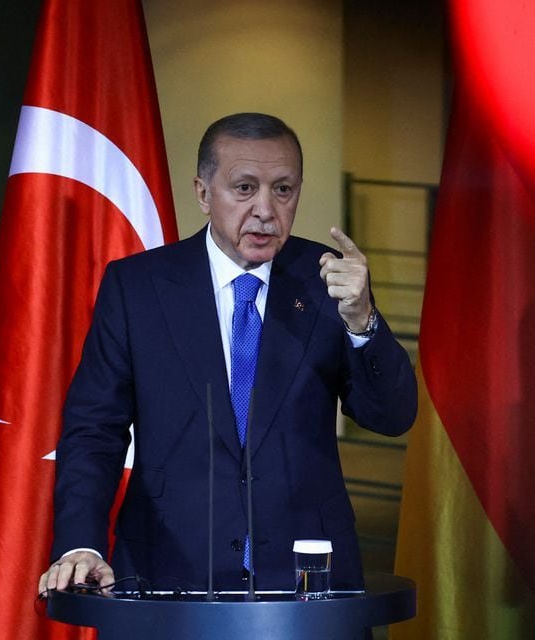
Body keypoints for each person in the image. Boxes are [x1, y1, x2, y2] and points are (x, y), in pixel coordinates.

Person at [38, 113, 417, 595]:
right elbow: (94, 431)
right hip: (169, 573)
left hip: (307, 584)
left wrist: (363, 320)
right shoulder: (137, 287)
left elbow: (391, 416)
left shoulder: (328, 282)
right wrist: (80, 544)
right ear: (202, 192)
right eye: (244, 188)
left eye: (283, 189)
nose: (265, 209)